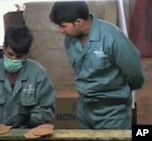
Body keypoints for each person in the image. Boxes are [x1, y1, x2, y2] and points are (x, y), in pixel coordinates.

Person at [49, 1, 145, 129]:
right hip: (85, 109)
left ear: (79, 22)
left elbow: (135, 75)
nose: (60, 31)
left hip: (112, 112)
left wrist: (119, 93)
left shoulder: (113, 38)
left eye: (63, 26)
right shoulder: (70, 40)